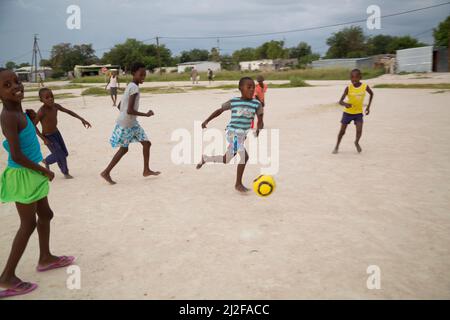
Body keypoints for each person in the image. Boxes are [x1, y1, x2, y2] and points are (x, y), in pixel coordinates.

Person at [0, 68, 74, 299]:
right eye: (7, 85)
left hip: (32, 173)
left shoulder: (20, 112)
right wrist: (45, 171)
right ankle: (6, 278)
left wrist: (31, 120)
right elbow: (17, 155)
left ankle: (45, 258)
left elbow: (28, 137)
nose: (15, 86)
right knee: (27, 224)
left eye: (17, 81)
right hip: (24, 174)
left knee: (46, 214)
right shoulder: (9, 116)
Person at [196, 77, 264, 193]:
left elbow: (260, 119)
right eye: (248, 87)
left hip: (242, 135)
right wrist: (207, 120)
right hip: (232, 133)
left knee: (226, 159)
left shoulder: (256, 104)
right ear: (240, 89)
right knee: (245, 156)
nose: (252, 89)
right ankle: (238, 184)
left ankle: (206, 158)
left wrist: (259, 128)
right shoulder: (234, 101)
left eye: (253, 87)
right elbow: (219, 110)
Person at [100, 62, 160, 184]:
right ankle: (106, 172)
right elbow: (130, 110)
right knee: (124, 149)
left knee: (146, 144)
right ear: (134, 73)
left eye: (144, 74)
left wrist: (125, 115)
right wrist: (146, 114)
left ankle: (146, 170)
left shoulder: (130, 85)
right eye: (141, 74)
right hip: (128, 123)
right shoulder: (134, 88)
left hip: (130, 122)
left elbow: (120, 105)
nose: (143, 76)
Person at [33, 88, 92, 179]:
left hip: (57, 133)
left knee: (64, 153)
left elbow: (69, 112)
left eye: (51, 96)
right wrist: (44, 139)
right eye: (47, 97)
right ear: (41, 100)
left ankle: (48, 162)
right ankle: (62, 170)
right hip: (48, 136)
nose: (50, 99)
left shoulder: (55, 106)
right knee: (59, 154)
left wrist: (82, 119)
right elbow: (33, 126)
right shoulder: (42, 111)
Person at [333, 69, 374, 154]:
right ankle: (337, 146)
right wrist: (345, 104)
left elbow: (371, 94)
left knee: (359, 130)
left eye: (356, 77)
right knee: (342, 131)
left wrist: (368, 107)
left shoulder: (364, 86)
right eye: (352, 77)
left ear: (360, 77)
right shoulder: (348, 88)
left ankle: (356, 142)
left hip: (358, 113)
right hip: (348, 113)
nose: (353, 79)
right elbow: (340, 101)